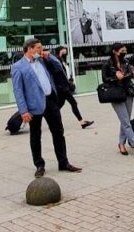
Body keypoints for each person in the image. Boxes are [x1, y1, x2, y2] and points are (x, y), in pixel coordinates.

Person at [10, 38, 83, 178]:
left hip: (50, 101)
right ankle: (39, 165)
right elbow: (18, 91)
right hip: (33, 105)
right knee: (35, 136)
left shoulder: (43, 60)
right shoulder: (18, 67)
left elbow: (59, 67)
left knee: (58, 132)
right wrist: (23, 110)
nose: (41, 50)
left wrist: (49, 56)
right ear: (30, 49)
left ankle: (63, 162)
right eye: (38, 48)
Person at [101, 43, 134, 157]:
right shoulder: (107, 63)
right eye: (122, 50)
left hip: (128, 92)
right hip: (116, 94)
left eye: (125, 50)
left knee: (125, 120)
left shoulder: (126, 61)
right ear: (115, 51)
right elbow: (104, 79)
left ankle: (121, 143)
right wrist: (115, 77)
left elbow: (130, 74)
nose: (124, 52)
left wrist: (123, 75)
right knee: (125, 121)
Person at [53, 46, 94, 129]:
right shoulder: (57, 61)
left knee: (59, 105)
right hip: (62, 88)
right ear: (59, 52)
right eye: (63, 52)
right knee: (73, 103)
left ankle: (52, 118)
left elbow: (66, 73)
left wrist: (71, 80)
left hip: (65, 86)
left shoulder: (64, 61)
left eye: (66, 52)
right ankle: (82, 122)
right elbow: (58, 74)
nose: (66, 53)